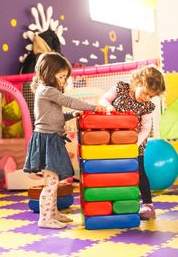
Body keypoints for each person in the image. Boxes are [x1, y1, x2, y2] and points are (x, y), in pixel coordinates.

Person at [23, 52, 106, 229]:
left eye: (65, 78)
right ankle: (44, 218)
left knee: (54, 181)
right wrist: (93, 107)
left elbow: (55, 116)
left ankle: (52, 212)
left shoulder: (46, 91)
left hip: (51, 138)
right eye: (61, 77)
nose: (63, 81)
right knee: (51, 183)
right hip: (47, 139)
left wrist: (71, 115)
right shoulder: (47, 90)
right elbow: (68, 100)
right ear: (49, 72)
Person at [99, 65, 165, 220]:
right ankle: (114, 201)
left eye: (151, 96)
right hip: (112, 140)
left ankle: (148, 204)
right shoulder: (121, 88)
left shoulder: (147, 106)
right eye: (145, 93)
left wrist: (134, 145)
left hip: (134, 144)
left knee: (139, 171)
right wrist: (108, 107)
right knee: (114, 172)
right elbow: (104, 99)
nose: (147, 98)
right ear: (137, 82)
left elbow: (145, 128)